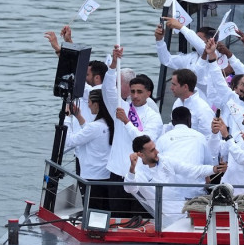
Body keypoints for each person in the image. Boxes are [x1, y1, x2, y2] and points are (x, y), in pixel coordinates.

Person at [102, 45, 164, 216]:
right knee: (117, 217)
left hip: (140, 175)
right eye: (133, 91)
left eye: (140, 92)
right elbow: (107, 89)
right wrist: (114, 63)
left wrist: (127, 122)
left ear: (148, 93)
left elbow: (143, 142)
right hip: (117, 171)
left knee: (140, 219)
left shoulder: (153, 117)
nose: (135, 95)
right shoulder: (122, 108)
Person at [125, 136, 227, 228]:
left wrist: (214, 169)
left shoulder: (165, 160)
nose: (157, 152)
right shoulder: (137, 172)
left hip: (184, 211)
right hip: (166, 220)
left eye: (155, 148)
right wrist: (132, 168)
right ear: (141, 154)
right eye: (152, 150)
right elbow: (130, 188)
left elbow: (191, 170)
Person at [64, 89, 114, 210]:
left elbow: (69, 141)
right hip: (105, 175)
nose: (88, 104)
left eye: (89, 102)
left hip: (91, 177)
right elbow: (92, 134)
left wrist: (67, 118)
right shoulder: (109, 123)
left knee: (93, 212)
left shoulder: (95, 126)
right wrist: (79, 117)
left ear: (96, 104)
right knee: (103, 211)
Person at [156, 106, 213, 196]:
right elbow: (209, 165)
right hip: (195, 194)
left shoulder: (162, 139)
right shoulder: (200, 137)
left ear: (173, 121)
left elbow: (156, 165)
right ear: (189, 120)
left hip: (170, 194)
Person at [169, 68, 214, 137]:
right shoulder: (177, 103)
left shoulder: (203, 109)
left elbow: (208, 138)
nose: (171, 88)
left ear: (185, 87)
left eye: (174, 85)